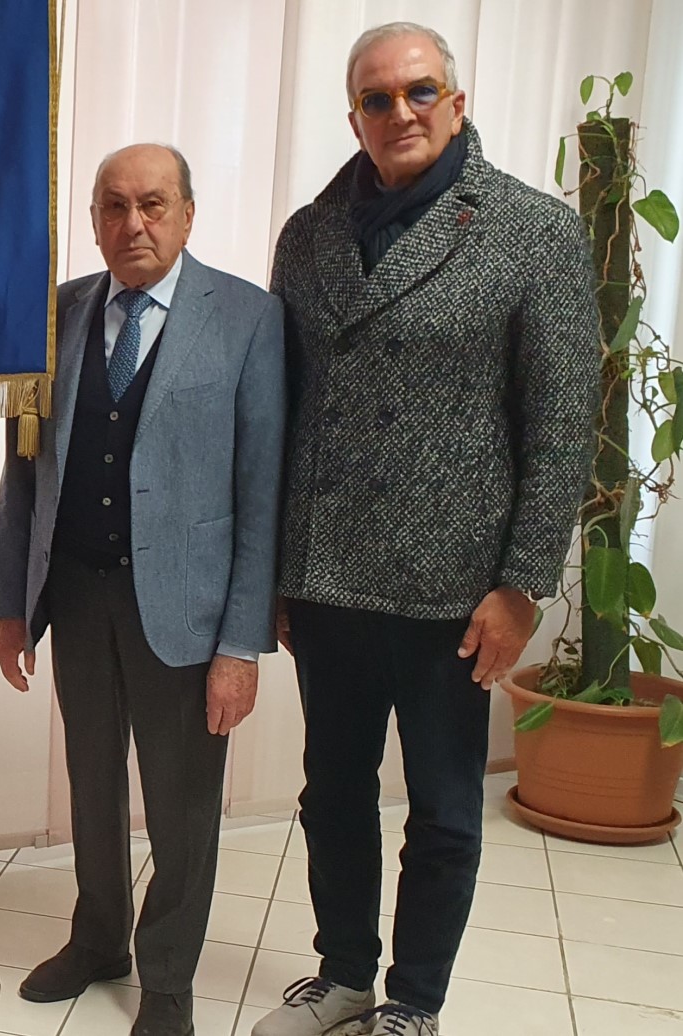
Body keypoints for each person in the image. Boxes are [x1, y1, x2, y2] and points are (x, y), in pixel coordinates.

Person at [255, 23, 600, 1036]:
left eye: (418, 92)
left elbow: (562, 422)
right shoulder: (308, 235)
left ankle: (414, 1001)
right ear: (353, 116)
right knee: (332, 793)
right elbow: (284, 408)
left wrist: (523, 583)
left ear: (455, 101)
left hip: (457, 588)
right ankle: (344, 977)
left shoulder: (532, 233)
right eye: (377, 98)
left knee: (445, 809)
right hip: (327, 576)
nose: (398, 112)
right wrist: (275, 569)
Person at [0, 143, 285, 1036]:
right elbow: (23, 472)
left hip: (188, 611)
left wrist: (241, 645)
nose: (134, 223)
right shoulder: (57, 314)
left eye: (153, 204)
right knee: (91, 783)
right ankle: (98, 940)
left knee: (182, 805)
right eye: (114, 206)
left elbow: (262, 494)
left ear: (188, 214)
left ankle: (168, 978)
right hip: (77, 594)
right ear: (94, 221)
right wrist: (12, 602)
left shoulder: (247, 318)